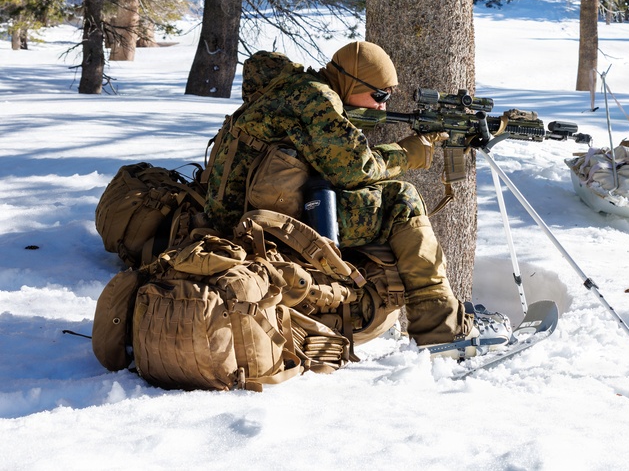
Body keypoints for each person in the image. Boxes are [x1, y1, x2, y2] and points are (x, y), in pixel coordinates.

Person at [203, 42, 508, 351]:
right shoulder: (317, 100)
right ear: (351, 82)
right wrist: (408, 152)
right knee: (401, 200)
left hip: (238, 212)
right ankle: (442, 329)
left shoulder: (289, 88)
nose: (382, 107)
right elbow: (356, 168)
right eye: (379, 96)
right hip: (263, 224)